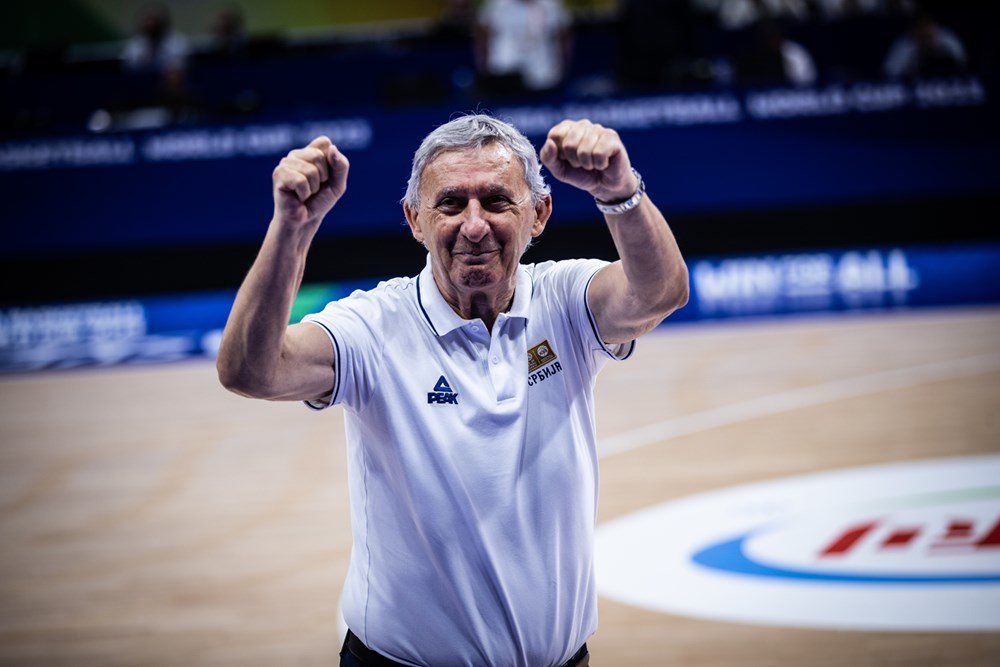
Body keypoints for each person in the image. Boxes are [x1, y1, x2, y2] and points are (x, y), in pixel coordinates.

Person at [216, 113, 689, 666]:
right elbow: (251, 370)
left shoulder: (565, 300)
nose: (473, 225)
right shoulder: (373, 327)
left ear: (539, 213)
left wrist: (619, 192)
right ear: (414, 219)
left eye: (495, 201)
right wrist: (291, 229)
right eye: (449, 204)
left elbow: (660, 293)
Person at [474, 0, 573, 95]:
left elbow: (563, 34)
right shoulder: (498, 3)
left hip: (541, 73)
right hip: (504, 70)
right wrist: (483, 64)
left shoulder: (552, 4)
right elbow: (483, 32)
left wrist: (562, 65)